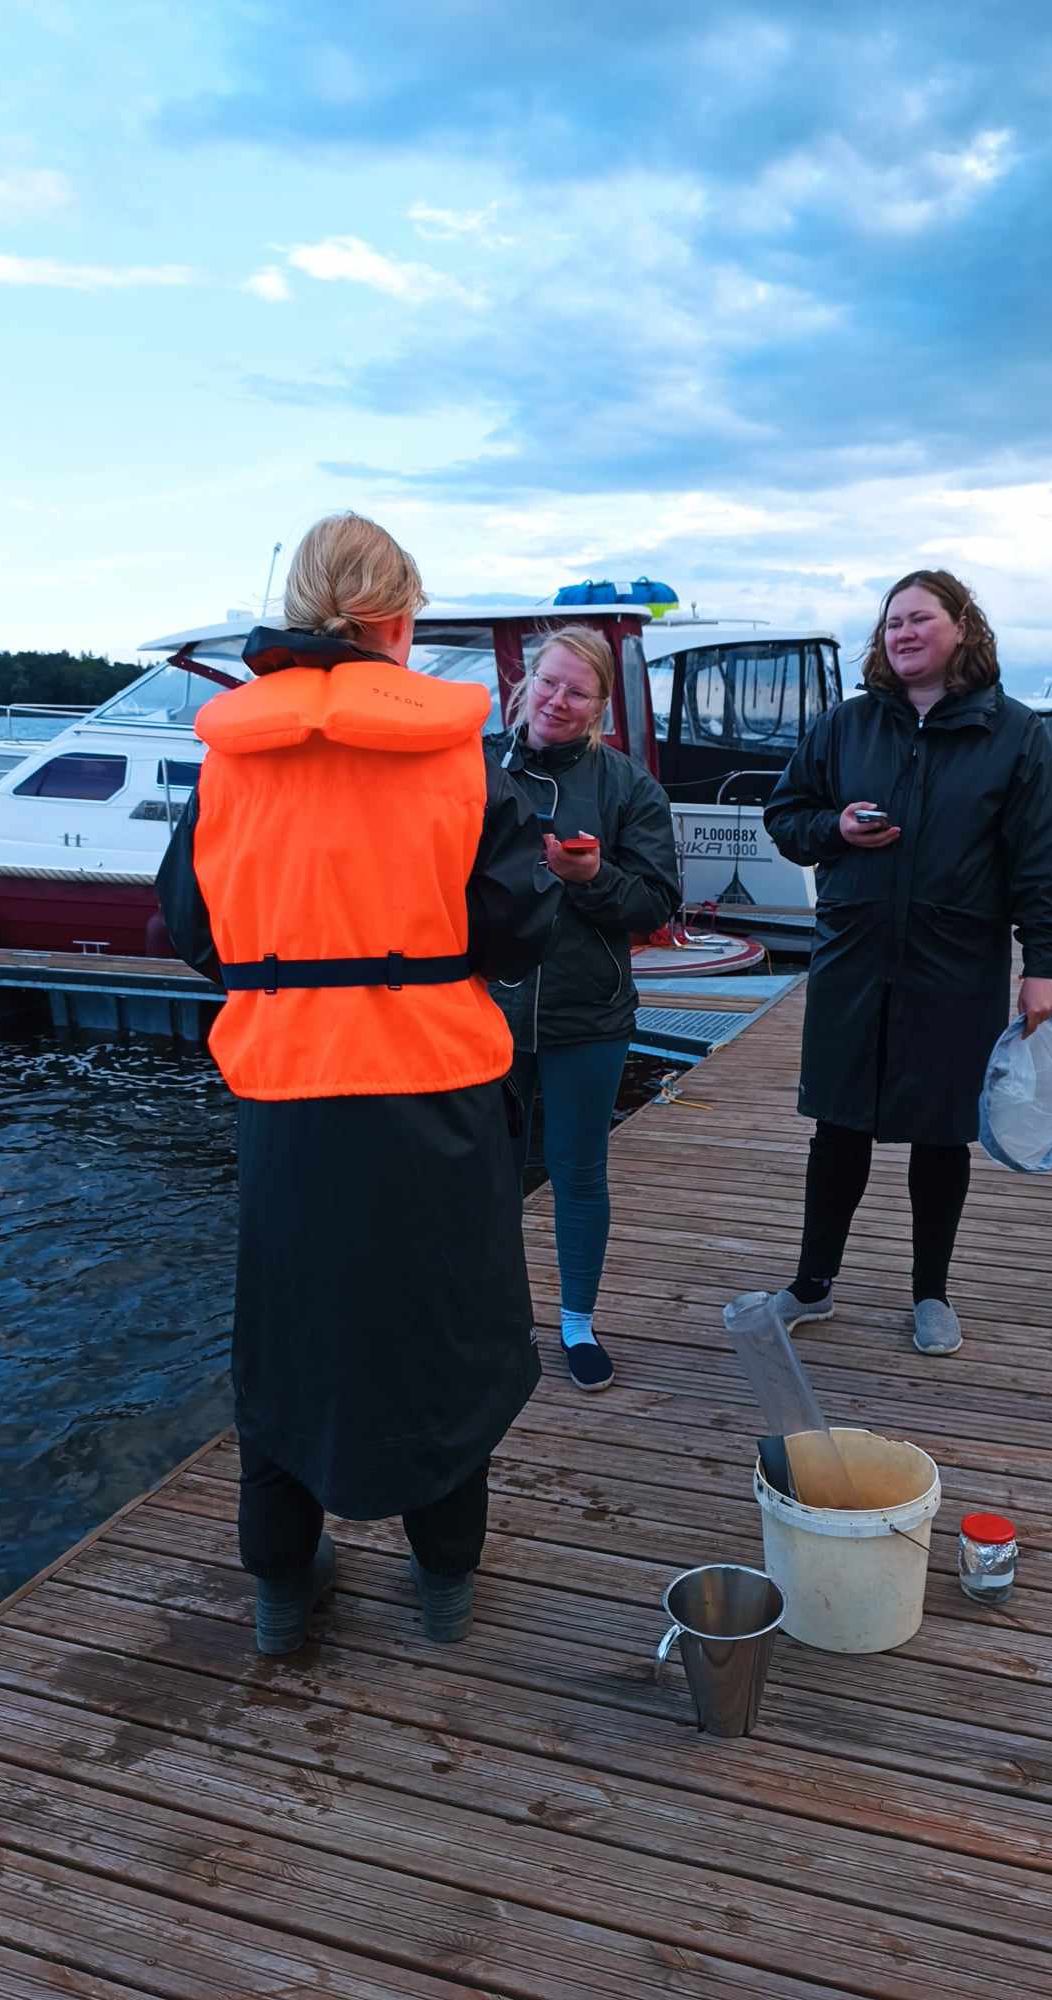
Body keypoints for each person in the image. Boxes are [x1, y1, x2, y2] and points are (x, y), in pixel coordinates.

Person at [156, 511, 560, 1655]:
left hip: (287, 1102)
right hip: (435, 1094)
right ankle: (445, 1585)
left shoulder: (232, 758)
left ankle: (281, 1591)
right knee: (448, 1338)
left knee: (286, 1343)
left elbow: (193, 926)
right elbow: (518, 923)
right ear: (398, 621)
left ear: (298, 614)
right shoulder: (460, 757)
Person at [760, 569, 1052, 1357]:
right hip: (854, 957)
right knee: (839, 1128)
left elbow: (1041, 860)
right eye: (892, 622)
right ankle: (812, 1285)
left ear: (962, 627)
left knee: (942, 1135)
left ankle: (931, 1293)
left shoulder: (1013, 735)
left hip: (955, 962)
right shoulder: (847, 725)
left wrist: (1043, 964)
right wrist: (835, 825)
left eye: (920, 619)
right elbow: (785, 815)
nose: (902, 633)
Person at [486, 625, 681, 1392]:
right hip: (483, 1014)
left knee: (578, 1174)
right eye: (548, 683)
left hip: (588, 1016)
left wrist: (592, 876)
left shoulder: (630, 788)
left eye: (577, 691)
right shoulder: (472, 767)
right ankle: (495, 1320)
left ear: (600, 705)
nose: (557, 701)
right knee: (482, 1177)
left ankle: (575, 1323)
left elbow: (657, 903)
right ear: (525, 682)